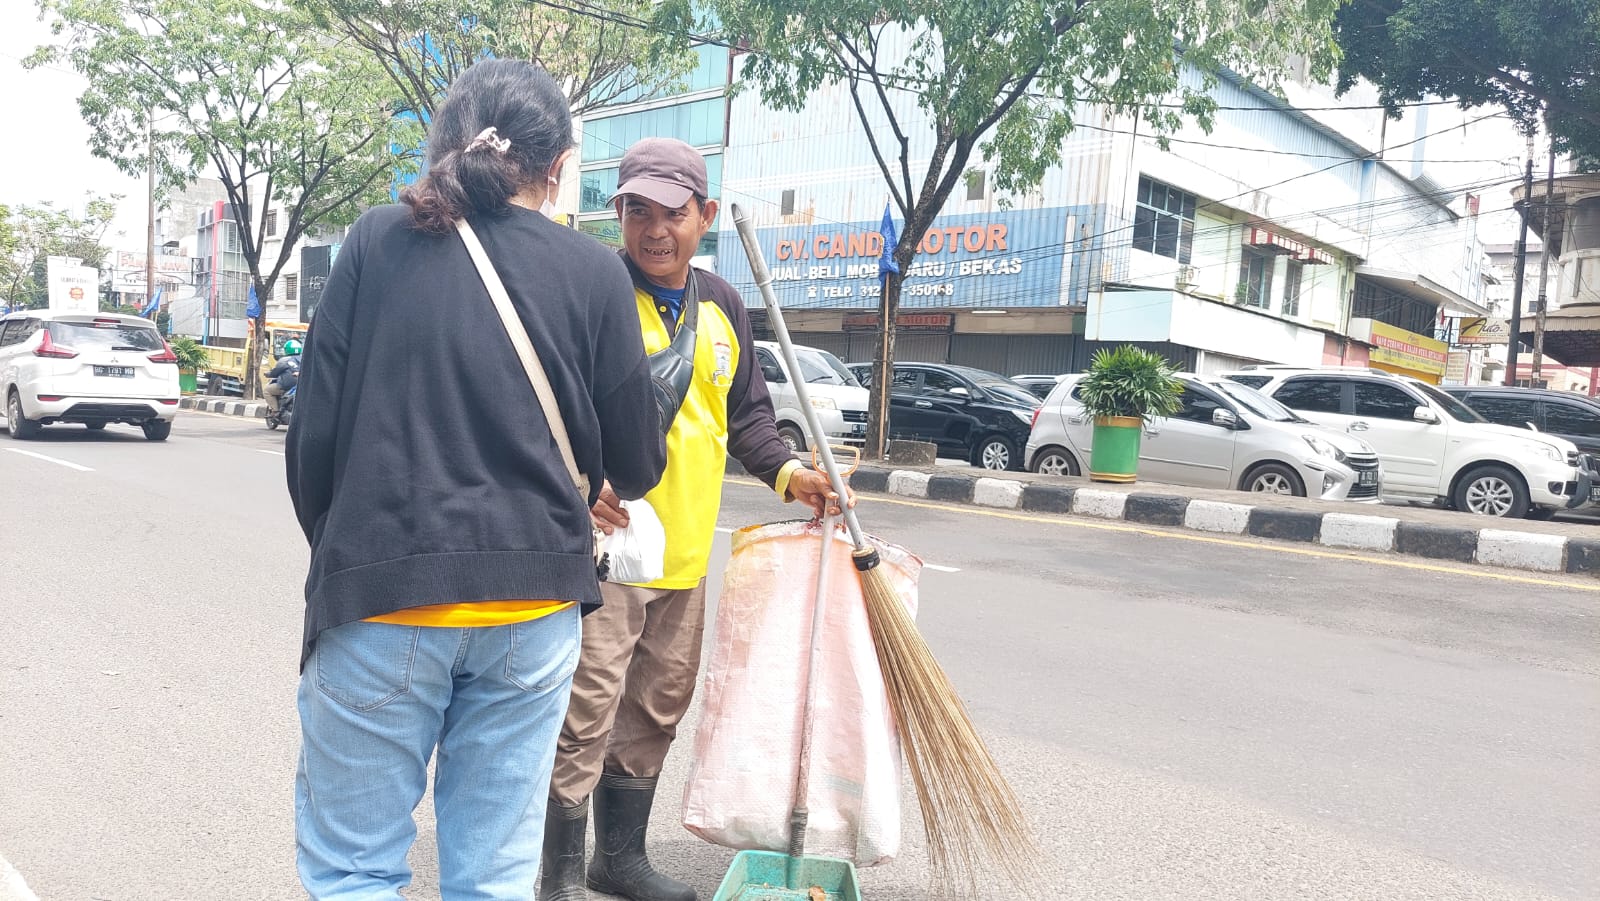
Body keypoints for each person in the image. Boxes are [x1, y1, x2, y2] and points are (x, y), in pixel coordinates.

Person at [286, 59, 666, 900]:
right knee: (492, 876)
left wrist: (353, 550)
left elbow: (312, 442)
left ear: (442, 147)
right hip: (531, 613)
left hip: (379, 592)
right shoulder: (596, 272)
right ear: (561, 165)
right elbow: (638, 466)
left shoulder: (376, 240)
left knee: (355, 871)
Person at [539, 137, 851, 901]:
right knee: (586, 706)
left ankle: (619, 858)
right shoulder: (592, 288)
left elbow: (745, 417)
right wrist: (579, 482)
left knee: (655, 708)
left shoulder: (723, 305)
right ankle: (559, 877)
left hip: (684, 555)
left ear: (704, 215)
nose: (653, 230)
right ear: (618, 215)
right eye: (636, 211)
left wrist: (790, 473)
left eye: (672, 213)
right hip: (605, 553)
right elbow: (543, 404)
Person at [264, 337, 301, 413]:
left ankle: (275, 411)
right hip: (301, 386)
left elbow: (275, 372)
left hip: (286, 386)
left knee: (267, 391)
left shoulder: (284, 360)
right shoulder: (304, 358)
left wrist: (268, 374)